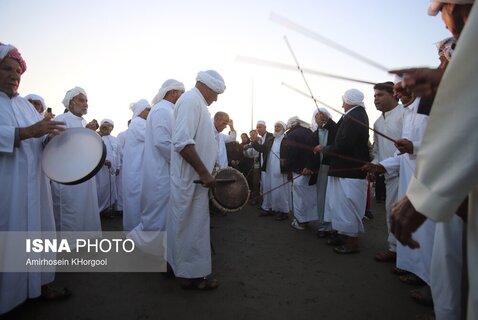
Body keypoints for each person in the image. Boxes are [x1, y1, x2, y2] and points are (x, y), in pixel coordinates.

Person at [390, 1, 476, 318]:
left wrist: (428, 193)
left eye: (442, 14)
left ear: (453, 6)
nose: (443, 25)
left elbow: (462, 128)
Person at [0, 43, 69, 315]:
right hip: (9, 187)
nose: (14, 75)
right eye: (6, 68)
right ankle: (9, 298)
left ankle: (39, 286)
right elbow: (25, 133)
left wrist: (48, 137)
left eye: (18, 71)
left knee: (38, 234)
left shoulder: (26, 106)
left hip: (35, 187)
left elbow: (38, 139)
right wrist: (28, 132)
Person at [167, 70, 225, 290]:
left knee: (182, 225)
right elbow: (182, 142)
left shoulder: (195, 102)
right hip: (192, 180)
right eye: (216, 93)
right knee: (192, 227)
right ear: (206, 87)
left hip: (192, 180)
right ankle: (191, 277)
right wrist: (203, 172)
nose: (216, 98)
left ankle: (177, 267)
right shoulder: (192, 101)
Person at [129, 79, 184, 252]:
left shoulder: (167, 109)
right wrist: (181, 162)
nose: (182, 96)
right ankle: (138, 241)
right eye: (180, 93)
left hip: (164, 170)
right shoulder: (162, 109)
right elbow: (162, 142)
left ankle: (160, 249)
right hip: (161, 171)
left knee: (163, 213)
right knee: (157, 214)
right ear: (173, 92)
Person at [314, 89, 369, 254]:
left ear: (349, 100)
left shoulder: (355, 116)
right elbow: (339, 132)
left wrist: (325, 148)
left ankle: (352, 242)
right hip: (343, 170)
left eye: (343, 100)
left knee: (348, 206)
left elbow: (344, 143)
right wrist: (328, 121)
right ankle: (343, 236)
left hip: (349, 171)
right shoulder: (353, 115)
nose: (342, 103)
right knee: (338, 205)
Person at [51, 87, 102, 234]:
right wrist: (86, 132)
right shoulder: (61, 119)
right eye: (81, 100)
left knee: (84, 209)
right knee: (70, 211)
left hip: (84, 174)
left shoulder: (83, 121)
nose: (85, 103)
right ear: (71, 103)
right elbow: (59, 147)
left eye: (86, 101)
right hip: (68, 175)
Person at [370, 82, 404, 262]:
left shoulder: (405, 114)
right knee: (391, 213)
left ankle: (410, 259)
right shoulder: (376, 122)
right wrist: (373, 165)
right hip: (389, 177)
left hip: (408, 175)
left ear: (395, 95)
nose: (376, 99)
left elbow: (410, 147)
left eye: (380, 95)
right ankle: (395, 249)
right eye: (374, 96)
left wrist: (386, 165)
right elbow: (377, 151)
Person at [306, 108, 337, 237]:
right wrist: (308, 167)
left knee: (334, 197)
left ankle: (336, 227)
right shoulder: (314, 134)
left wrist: (328, 122)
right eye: (317, 116)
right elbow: (310, 154)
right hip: (320, 170)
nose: (320, 118)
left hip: (334, 168)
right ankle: (323, 226)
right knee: (322, 197)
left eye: (322, 115)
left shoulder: (335, 130)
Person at [122, 99, 150, 231]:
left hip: (138, 168)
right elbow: (153, 136)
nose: (150, 112)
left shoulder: (139, 123)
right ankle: (133, 232)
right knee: (135, 200)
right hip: (136, 170)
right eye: (147, 109)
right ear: (140, 110)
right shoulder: (138, 123)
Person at [284, 116, 316, 229]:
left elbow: (292, 153)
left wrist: (286, 166)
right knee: (308, 196)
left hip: (298, 170)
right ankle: (307, 220)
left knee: (298, 197)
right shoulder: (309, 131)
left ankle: (300, 222)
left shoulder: (292, 134)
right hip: (310, 169)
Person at [95, 119, 119, 215]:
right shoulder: (97, 137)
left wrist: (118, 167)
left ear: (112, 128)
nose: (106, 127)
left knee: (110, 189)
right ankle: (98, 210)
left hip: (112, 170)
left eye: (109, 126)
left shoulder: (115, 139)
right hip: (99, 170)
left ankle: (107, 209)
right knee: (100, 189)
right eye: (104, 126)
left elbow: (119, 154)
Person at [251, 120, 275, 215]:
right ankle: (266, 206)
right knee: (264, 186)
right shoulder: (262, 138)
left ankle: (268, 207)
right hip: (264, 166)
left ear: (265, 127)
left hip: (269, 167)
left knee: (268, 187)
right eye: (257, 127)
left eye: (260, 127)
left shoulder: (270, 137)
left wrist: (254, 142)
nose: (258, 129)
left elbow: (263, 149)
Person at [115, 119, 130, 214]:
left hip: (135, 165)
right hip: (124, 165)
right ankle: (120, 207)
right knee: (121, 186)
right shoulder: (122, 134)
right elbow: (119, 150)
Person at [244, 129, 261, 205]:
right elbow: (248, 155)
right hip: (254, 166)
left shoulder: (261, 141)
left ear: (257, 134)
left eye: (253, 134)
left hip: (261, 166)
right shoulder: (250, 144)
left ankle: (259, 199)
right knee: (254, 183)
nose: (252, 136)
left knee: (260, 183)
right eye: (251, 135)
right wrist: (244, 150)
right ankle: (255, 198)